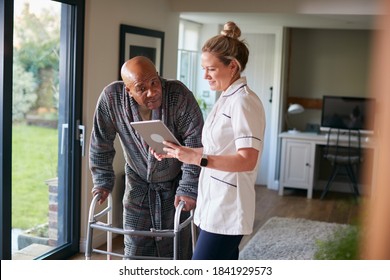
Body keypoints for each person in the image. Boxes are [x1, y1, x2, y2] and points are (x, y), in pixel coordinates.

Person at [154, 21, 266, 260]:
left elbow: (248, 160)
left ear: (233, 66)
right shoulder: (226, 98)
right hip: (213, 201)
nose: (204, 75)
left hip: (228, 207)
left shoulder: (244, 102)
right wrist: (179, 151)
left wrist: (196, 158)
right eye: (203, 68)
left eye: (211, 69)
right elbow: (219, 148)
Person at [89, 56, 204, 259]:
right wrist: (103, 181)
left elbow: (196, 141)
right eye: (141, 88)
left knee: (177, 246)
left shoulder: (178, 95)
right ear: (128, 90)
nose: (152, 91)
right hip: (138, 181)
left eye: (154, 82)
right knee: (134, 244)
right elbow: (101, 142)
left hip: (176, 183)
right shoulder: (112, 99)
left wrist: (188, 187)